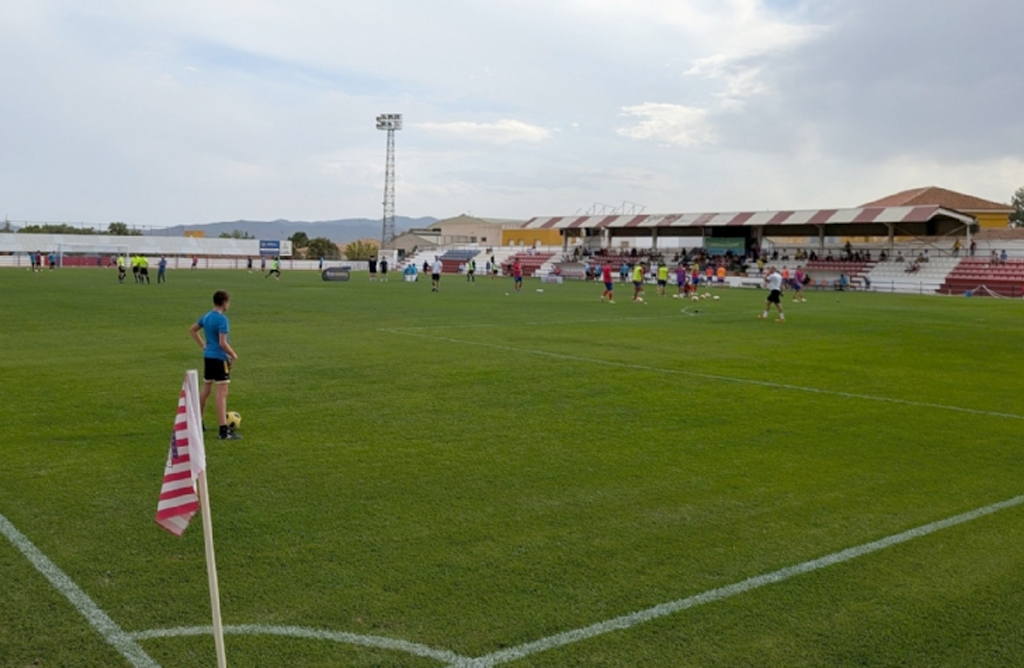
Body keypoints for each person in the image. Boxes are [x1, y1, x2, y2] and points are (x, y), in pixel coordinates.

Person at [189, 290, 241, 440]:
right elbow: (222, 343)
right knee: (222, 392)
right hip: (219, 358)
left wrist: (204, 346)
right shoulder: (222, 320)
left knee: (206, 389)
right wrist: (233, 355)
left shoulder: (206, 316)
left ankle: (198, 422)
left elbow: (192, 330)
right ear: (224, 303)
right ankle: (223, 430)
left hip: (208, 357)